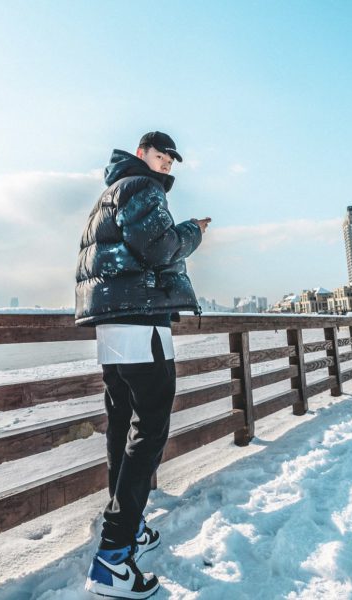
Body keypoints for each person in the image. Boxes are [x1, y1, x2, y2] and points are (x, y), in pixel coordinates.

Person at [75, 131, 210, 598]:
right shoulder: (141, 187)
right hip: (140, 321)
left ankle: (127, 529)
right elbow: (158, 248)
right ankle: (113, 556)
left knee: (122, 424)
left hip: (112, 324)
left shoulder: (110, 193)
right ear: (141, 154)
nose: (167, 162)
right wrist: (192, 231)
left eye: (172, 158)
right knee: (150, 428)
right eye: (160, 154)